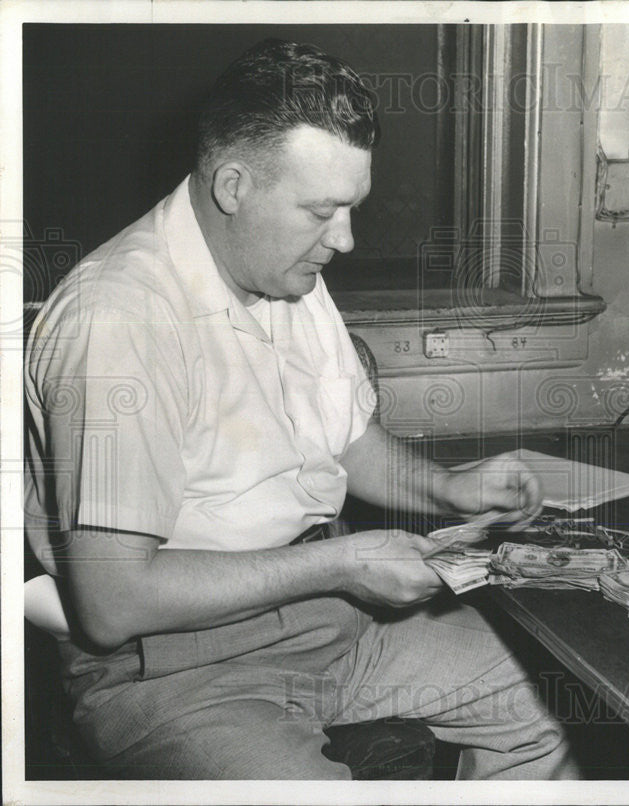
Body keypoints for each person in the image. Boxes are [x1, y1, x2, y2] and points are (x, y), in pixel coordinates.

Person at [24, 38, 580, 780]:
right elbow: (114, 600)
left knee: (548, 707)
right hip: (173, 667)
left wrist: (448, 488)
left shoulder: (284, 271)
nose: (344, 239)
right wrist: (341, 564)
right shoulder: (120, 318)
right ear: (233, 185)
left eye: (352, 208)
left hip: (325, 621)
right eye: (322, 211)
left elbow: (346, 442)